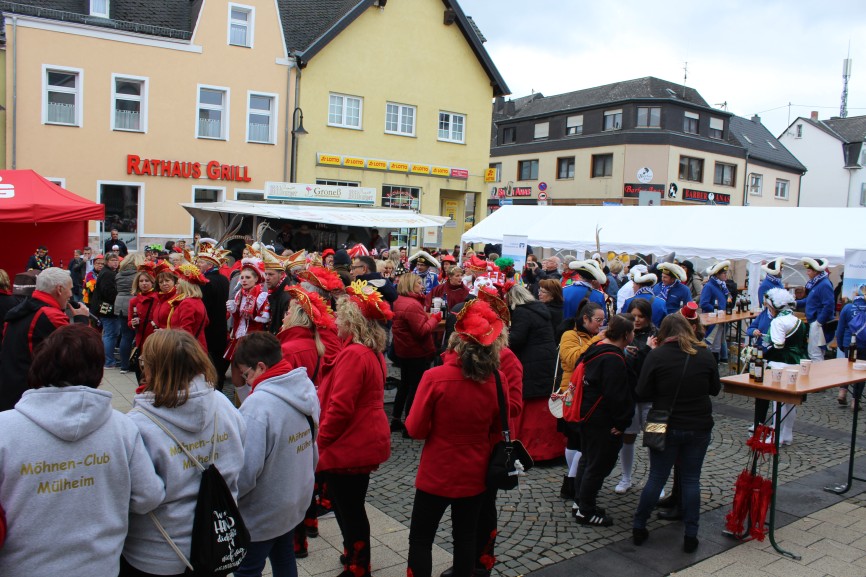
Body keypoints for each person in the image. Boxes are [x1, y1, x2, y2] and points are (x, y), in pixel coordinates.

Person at [0, 324, 165, 576]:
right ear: (97, 370)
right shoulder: (122, 427)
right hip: (101, 565)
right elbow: (148, 497)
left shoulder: (5, 429)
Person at [121, 330, 246, 577]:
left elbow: (141, 497)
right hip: (217, 543)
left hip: (159, 552)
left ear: (154, 368)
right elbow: (239, 456)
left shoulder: (136, 424)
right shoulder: (222, 403)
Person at [405, 300, 506, 577]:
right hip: (475, 471)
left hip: (436, 471)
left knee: (421, 539)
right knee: (465, 538)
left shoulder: (434, 377)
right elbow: (499, 428)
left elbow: (414, 429)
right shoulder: (497, 379)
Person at [316, 281, 392, 577]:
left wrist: (322, 440)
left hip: (352, 441)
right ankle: (353, 553)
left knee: (350, 509)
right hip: (363, 436)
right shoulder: (369, 350)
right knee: (351, 505)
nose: (335, 320)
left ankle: (359, 565)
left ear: (352, 321)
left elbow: (341, 406)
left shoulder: (354, 354)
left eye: (340, 316)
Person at [232, 332, 320, 577]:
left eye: (247, 374)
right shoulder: (303, 388)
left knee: (247, 570)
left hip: (262, 511)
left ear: (261, 367)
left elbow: (246, 472)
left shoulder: (258, 406)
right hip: (292, 501)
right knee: (284, 559)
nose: (247, 382)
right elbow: (312, 447)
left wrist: (231, 499)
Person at [631, 314, 720, 553]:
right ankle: (691, 533)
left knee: (656, 477)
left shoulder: (657, 355)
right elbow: (715, 389)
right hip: (698, 423)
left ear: (664, 333)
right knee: (691, 479)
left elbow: (641, 390)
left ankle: (639, 526)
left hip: (662, 422)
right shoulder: (705, 354)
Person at [573, 314, 635, 527]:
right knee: (597, 465)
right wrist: (621, 422)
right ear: (626, 335)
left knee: (587, 459)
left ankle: (580, 502)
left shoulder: (597, 348)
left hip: (588, 414)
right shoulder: (613, 358)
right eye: (632, 331)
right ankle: (586, 511)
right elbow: (616, 395)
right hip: (602, 420)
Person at [556, 302, 605, 503]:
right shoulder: (569, 335)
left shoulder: (593, 335)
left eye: (603, 321)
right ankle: (572, 480)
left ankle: (572, 482)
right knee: (575, 439)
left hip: (588, 391)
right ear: (585, 319)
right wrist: (595, 340)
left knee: (579, 440)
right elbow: (571, 359)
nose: (601, 325)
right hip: (571, 392)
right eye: (598, 321)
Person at [507, 284, 561, 461]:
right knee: (544, 409)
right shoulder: (539, 309)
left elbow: (517, 339)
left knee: (532, 411)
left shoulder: (522, 312)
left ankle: (533, 450)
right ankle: (552, 449)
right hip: (546, 360)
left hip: (533, 363)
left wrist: (503, 334)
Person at [614, 298, 659, 494]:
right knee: (628, 437)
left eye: (641, 316)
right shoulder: (623, 336)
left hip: (652, 396)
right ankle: (626, 477)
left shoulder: (656, 335)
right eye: (634, 316)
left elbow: (652, 366)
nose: (637, 320)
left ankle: (656, 481)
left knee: (654, 438)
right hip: (630, 396)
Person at [391, 273, 442, 433]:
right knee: (415, 387)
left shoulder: (400, 301)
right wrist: (435, 319)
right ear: (410, 285)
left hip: (405, 350)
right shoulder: (412, 305)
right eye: (419, 283)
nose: (422, 285)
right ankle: (410, 425)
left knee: (405, 385)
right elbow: (421, 331)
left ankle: (396, 419)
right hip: (416, 352)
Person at [761, 288, 808, 445]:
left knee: (778, 401)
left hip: (779, 364)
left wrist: (766, 340)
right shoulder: (799, 322)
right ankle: (787, 434)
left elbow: (778, 344)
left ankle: (777, 436)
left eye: (769, 307)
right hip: (796, 363)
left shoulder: (777, 322)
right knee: (791, 401)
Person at [226, 257, 271, 396]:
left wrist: (261, 316)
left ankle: (252, 402)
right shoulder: (240, 294)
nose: (244, 280)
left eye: (248, 277)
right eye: (242, 277)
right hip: (239, 338)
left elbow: (264, 317)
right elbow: (238, 319)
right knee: (236, 376)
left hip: (253, 340)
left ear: (256, 279)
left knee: (251, 375)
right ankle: (244, 404)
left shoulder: (261, 294)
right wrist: (234, 310)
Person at [195, 241, 231, 390]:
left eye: (201, 262)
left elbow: (204, 308)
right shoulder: (223, 279)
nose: (198, 264)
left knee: (211, 366)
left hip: (209, 330)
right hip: (221, 328)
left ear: (210, 265)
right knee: (218, 365)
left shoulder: (207, 282)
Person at [155, 264, 210, 352]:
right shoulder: (197, 300)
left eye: (178, 283)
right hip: (199, 346)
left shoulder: (187, 303)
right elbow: (206, 322)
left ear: (185, 286)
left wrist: (166, 333)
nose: (176, 286)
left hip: (188, 350)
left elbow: (185, 331)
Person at [796, 257, 835, 363]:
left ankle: (818, 377)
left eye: (809, 270)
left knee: (815, 353)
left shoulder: (824, 285)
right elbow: (809, 300)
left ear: (816, 271)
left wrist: (818, 322)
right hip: (815, 322)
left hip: (819, 324)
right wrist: (794, 303)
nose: (807, 273)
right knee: (815, 352)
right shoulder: (817, 283)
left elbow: (829, 305)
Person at [835, 284, 866, 406]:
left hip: (850, 343)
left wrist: (841, 344)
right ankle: (855, 401)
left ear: (856, 295)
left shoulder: (848, 308)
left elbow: (840, 329)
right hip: (864, 345)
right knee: (862, 373)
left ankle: (842, 392)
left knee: (848, 368)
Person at [128, 263, 159, 383]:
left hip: (154, 339)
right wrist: (133, 322)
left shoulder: (157, 299)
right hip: (141, 341)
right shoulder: (134, 301)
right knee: (141, 372)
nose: (144, 283)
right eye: (141, 281)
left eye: (147, 280)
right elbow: (129, 323)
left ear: (152, 282)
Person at [91, 253, 121, 368]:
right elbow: (107, 292)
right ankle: (108, 361)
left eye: (116, 260)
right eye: (113, 260)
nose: (115, 262)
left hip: (103, 307)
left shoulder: (107, 272)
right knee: (110, 334)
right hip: (106, 308)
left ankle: (108, 359)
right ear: (107, 261)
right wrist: (117, 296)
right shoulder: (108, 274)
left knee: (110, 333)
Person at [114, 253, 143, 373]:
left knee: (125, 336)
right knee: (136, 335)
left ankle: (124, 366)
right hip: (133, 305)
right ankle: (136, 362)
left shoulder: (119, 274)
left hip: (119, 304)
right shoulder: (137, 275)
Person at [699, 260, 733, 359]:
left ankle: (720, 360)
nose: (726, 275)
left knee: (718, 344)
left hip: (720, 319)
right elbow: (704, 303)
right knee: (712, 344)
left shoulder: (721, 285)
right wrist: (716, 310)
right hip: (712, 320)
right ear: (717, 274)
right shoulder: (709, 286)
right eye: (724, 273)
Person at [262, 248, 293, 334]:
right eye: (266, 274)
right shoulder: (273, 291)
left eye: (271, 274)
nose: (267, 278)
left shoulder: (287, 297)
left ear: (282, 275)